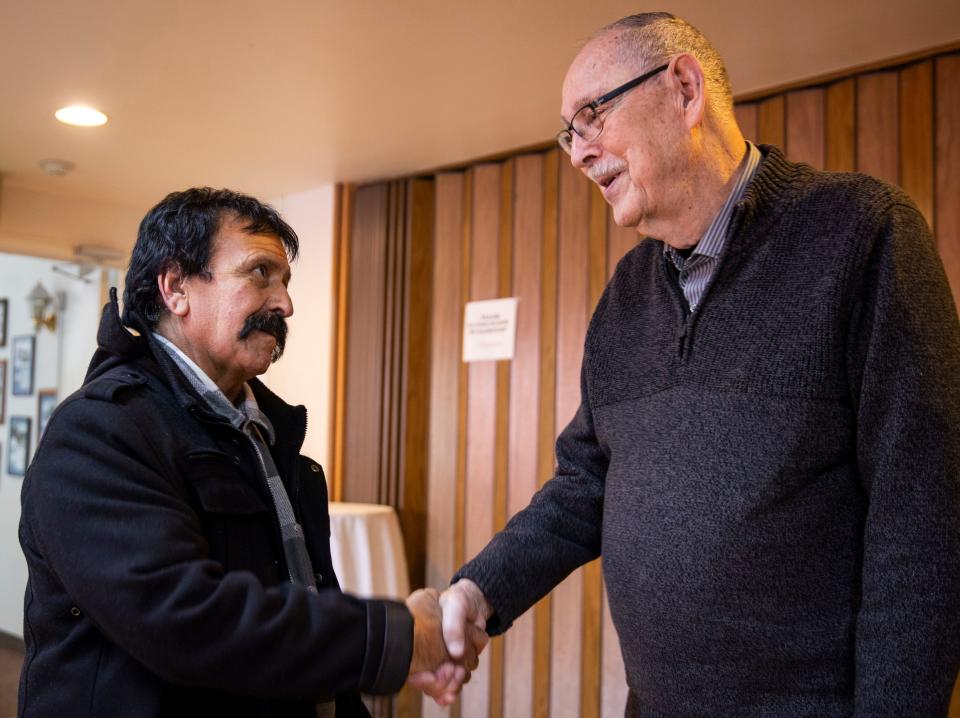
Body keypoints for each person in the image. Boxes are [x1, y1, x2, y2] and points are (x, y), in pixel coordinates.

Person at [438, 12, 960, 717]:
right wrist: (478, 591)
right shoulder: (625, 296)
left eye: (591, 116)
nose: (578, 154)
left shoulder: (861, 233)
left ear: (684, 89)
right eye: (568, 134)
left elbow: (924, 516)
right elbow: (583, 484)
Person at [19, 188, 483, 717]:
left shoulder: (270, 433)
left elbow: (300, 599)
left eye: (285, 281)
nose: (285, 303)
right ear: (176, 288)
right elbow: (185, 620)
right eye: (260, 273)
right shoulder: (98, 432)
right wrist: (395, 638)